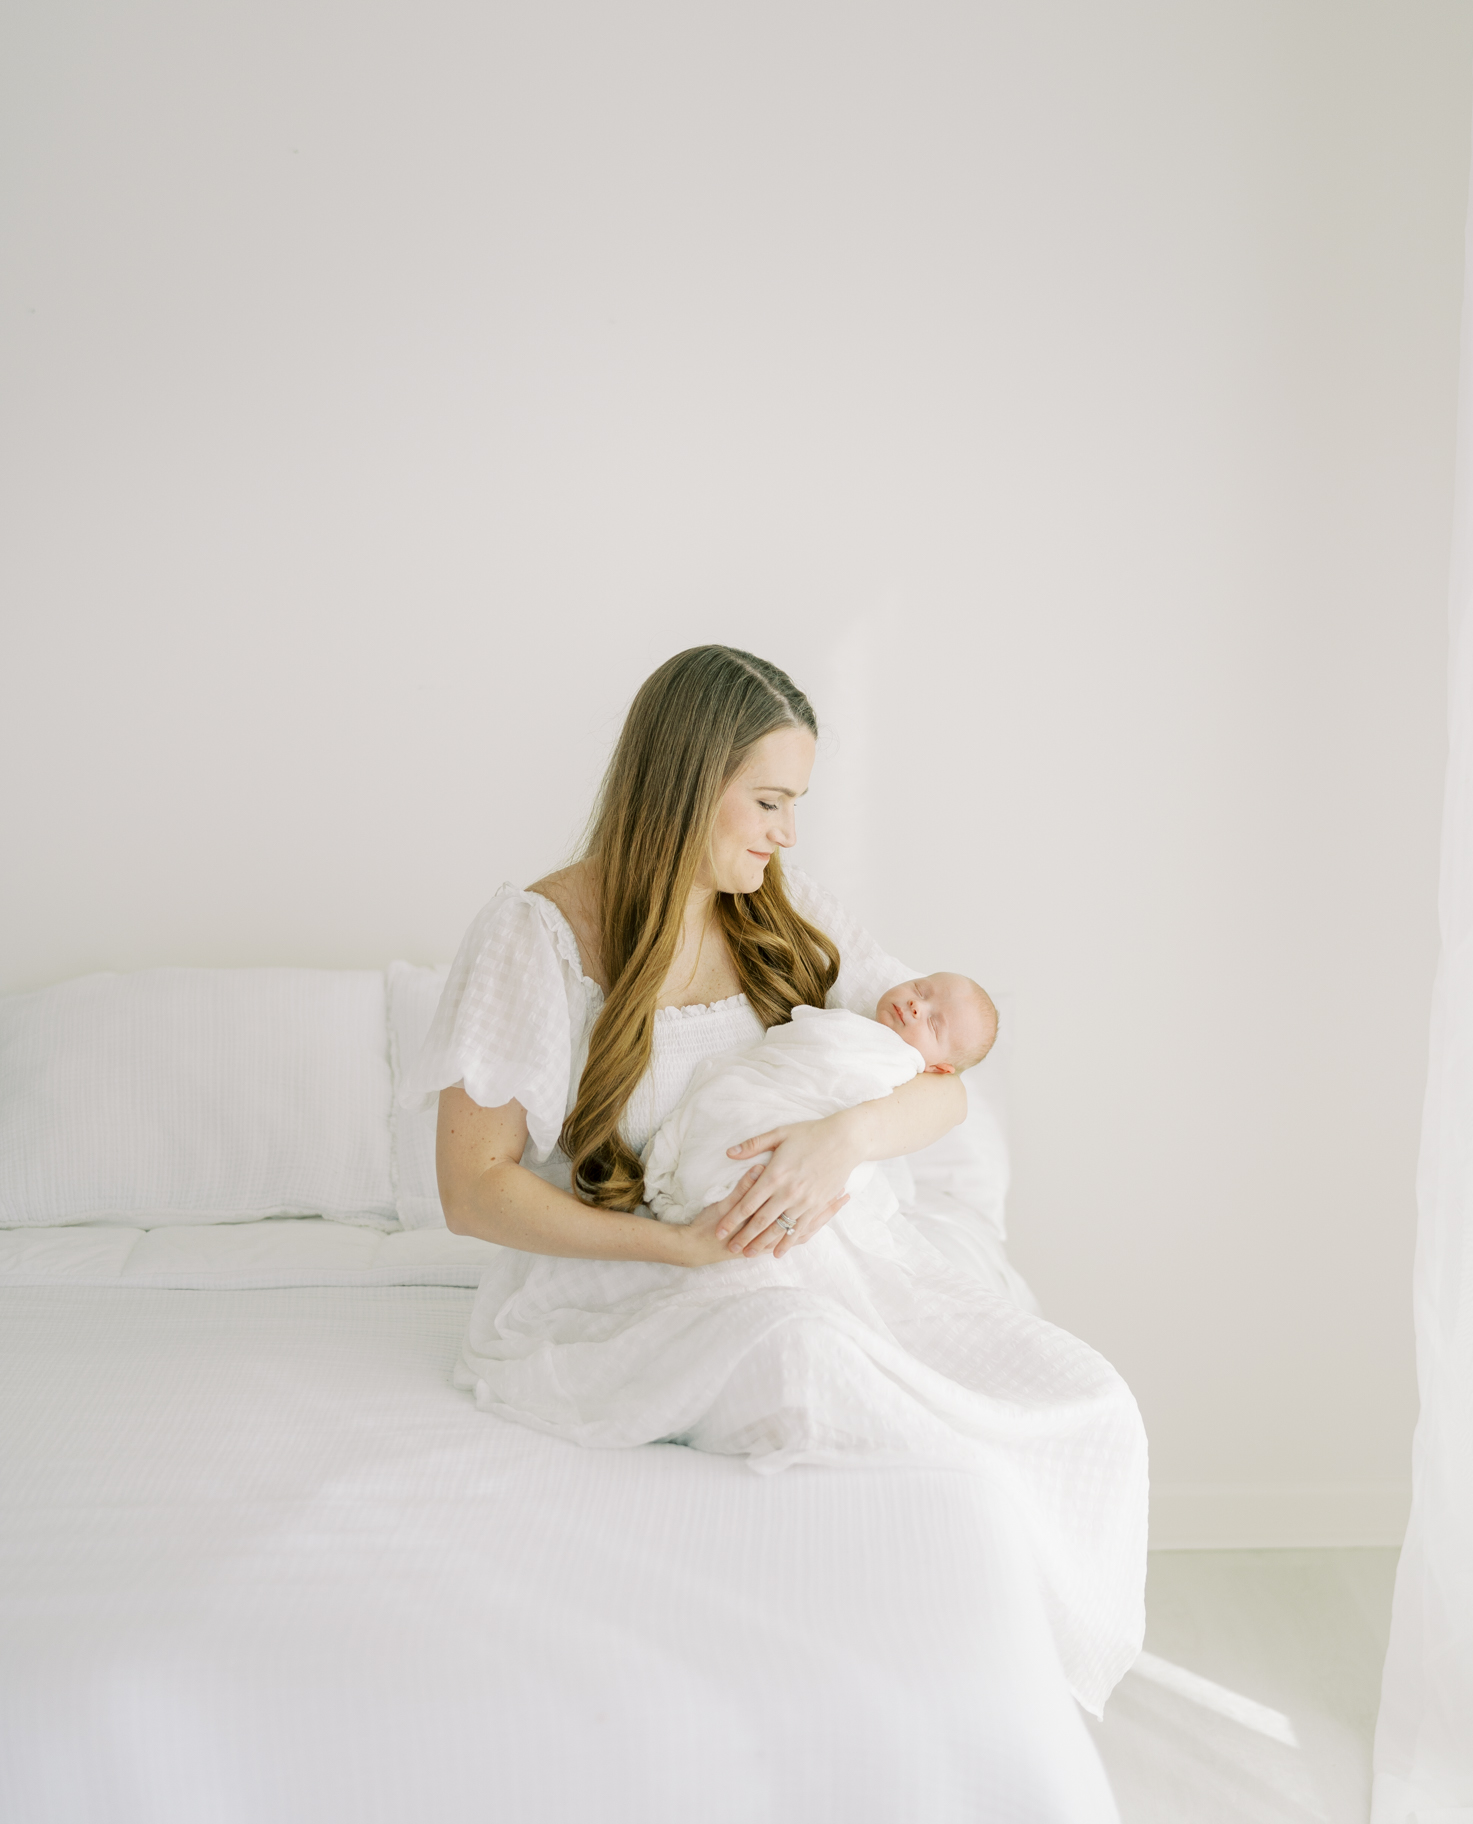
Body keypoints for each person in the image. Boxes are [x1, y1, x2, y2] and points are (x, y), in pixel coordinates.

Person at [403, 644, 1147, 1714]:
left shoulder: (789, 912)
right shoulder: (533, 938)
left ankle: (1013, 1650)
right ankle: (942, 1662)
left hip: (830, 1251)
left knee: (1084, 1399)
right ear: (684, 781)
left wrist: (841, 1138)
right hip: (641, 1276)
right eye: (766, 800)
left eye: (793, 803)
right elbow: (471, 1190)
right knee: (809, 1362)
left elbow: (946, 1088)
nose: (784, 832)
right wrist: (684, 1244)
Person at [641, 972, 999, 1225]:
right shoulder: (850, 1021)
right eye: (921, 989)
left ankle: (715, 1196)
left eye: (934, 1024)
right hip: (762, 1095)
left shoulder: (900, 1069)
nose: (917, 1005)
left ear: (939, 1069)